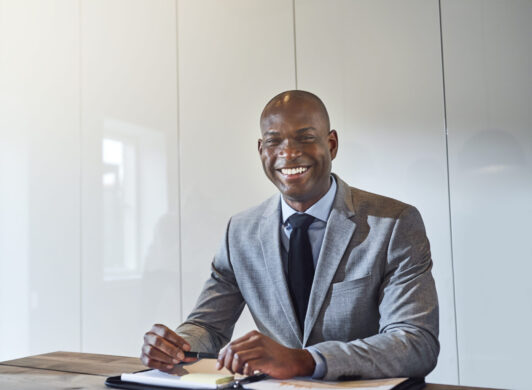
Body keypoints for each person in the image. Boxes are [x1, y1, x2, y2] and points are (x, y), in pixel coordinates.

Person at [140, 90, 439, 381]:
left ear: (331, 144)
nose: (288, 152)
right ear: (261, 150)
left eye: (305, 137)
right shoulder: (240, 232)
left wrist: (305, 360)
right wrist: (176, 346)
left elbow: (415, 343)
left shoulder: (394, 223)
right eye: (274, 141)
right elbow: (208, 326)